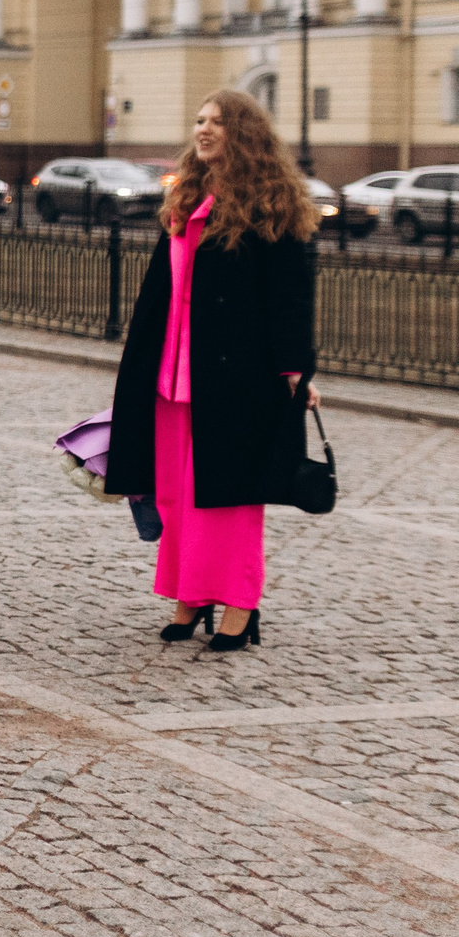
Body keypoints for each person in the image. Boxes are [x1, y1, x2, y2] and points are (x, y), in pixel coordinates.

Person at [105, 91, 320, 653]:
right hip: (172, 374)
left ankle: (240, 605)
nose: (204, 131)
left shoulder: (269, 204)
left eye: (217, 123)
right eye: (199, 120)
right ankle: (191, 594)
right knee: (177, 494)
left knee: (229, 495)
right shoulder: (189, 197)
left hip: (233, 377)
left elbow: (290, 297)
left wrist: (296, 370)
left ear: (242, 133)